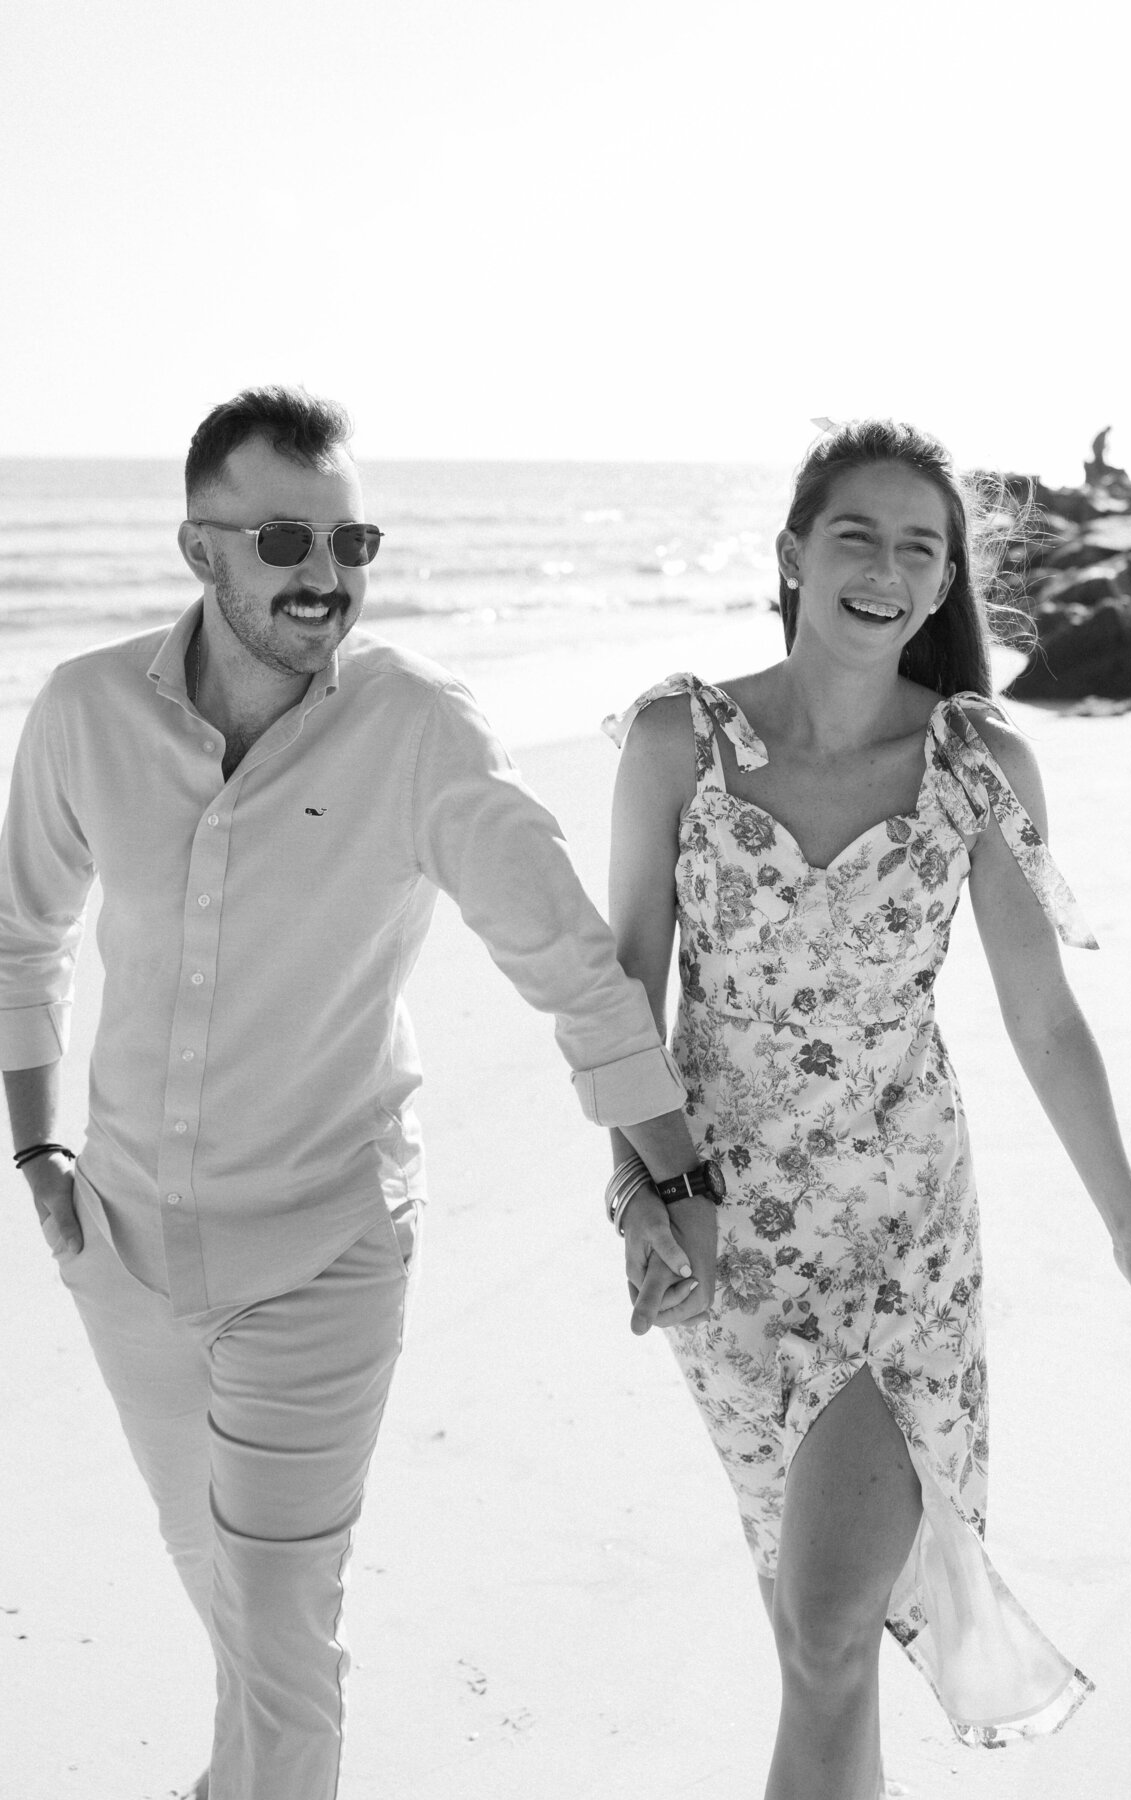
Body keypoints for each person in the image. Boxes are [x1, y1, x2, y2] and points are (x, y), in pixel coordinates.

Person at [0, 385, 713, 1800]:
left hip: (324, 1247)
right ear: (200, 550)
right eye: (284, 539)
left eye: (352, 539)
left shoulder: (419, 730)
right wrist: (40, 1155)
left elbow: (568, 963)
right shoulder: (84, 710)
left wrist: (677, 1177)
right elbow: (25, 937)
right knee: (235, 1608)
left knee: (274, 1622)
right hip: (124, 1251)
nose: (326, 575)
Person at [603, 418, 1131, 1800]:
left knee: (822, 1635)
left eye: (917, 548)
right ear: (792, 555)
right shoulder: (675, 739)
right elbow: (625, 987)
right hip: (718, 1237)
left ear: (942, 590)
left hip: (900, 1244)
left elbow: (1044, 1020)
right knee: (819, 1646)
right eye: (854, 533)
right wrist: (641, 1188)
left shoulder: (983, 771)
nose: (882, 566)